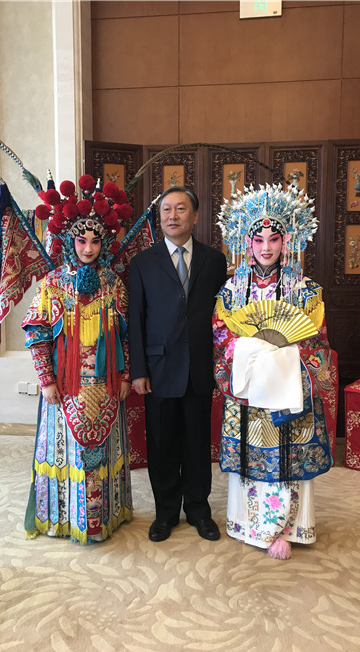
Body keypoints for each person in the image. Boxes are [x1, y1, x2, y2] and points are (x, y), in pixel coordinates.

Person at [213, 183, 334, 559]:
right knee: (251, 453)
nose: (266, 247)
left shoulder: (305, 290)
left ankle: (291, 528)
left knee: (289, 455)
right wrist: (253, 351)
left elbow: (317, 339)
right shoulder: (232, 290)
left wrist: (283, 355)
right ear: (246, 242)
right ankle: (250, 525)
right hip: (249, 388)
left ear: (287, 241)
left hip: (289, 388)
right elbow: (220, 336)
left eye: (274, 239)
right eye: (258, 239)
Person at [22, 174, 133, 544]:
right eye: (81, 240)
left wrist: (126, 376)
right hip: (65, 386)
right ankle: (64, 520)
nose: (88, 248)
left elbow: (127, 335)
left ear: (105, 242)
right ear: (69, 241)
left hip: (106, 382)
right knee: (68, 454)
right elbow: (37, 334)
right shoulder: (53, 284)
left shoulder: (114, 284)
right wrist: (46, 380)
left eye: (95, 241)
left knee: (104, 452)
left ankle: (105, 519)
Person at [128, 186, 227, 542]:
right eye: (167, 209)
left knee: (197, 444)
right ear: (159, 218)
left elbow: (222, 317)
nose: (173, 215)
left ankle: (199, 511)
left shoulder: (215, 261)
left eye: (181, 209)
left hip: (200, 367)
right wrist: (139, 370)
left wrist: (222, 365)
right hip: (159, 369)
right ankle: (166, 513)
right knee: (162, 444)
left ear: (195, 216)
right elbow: (136, 319)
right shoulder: (142, 263)